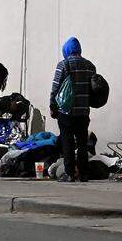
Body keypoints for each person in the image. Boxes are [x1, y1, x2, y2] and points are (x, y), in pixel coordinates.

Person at [49, 36, 95, 182]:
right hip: (83, 112)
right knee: (82, 143)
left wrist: (52, 106)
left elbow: (55, 87)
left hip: (66, 111)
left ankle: (69, 173)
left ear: (66, 50)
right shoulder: (90, 66)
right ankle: (84, 173)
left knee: (67, 142)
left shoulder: (63, 64)